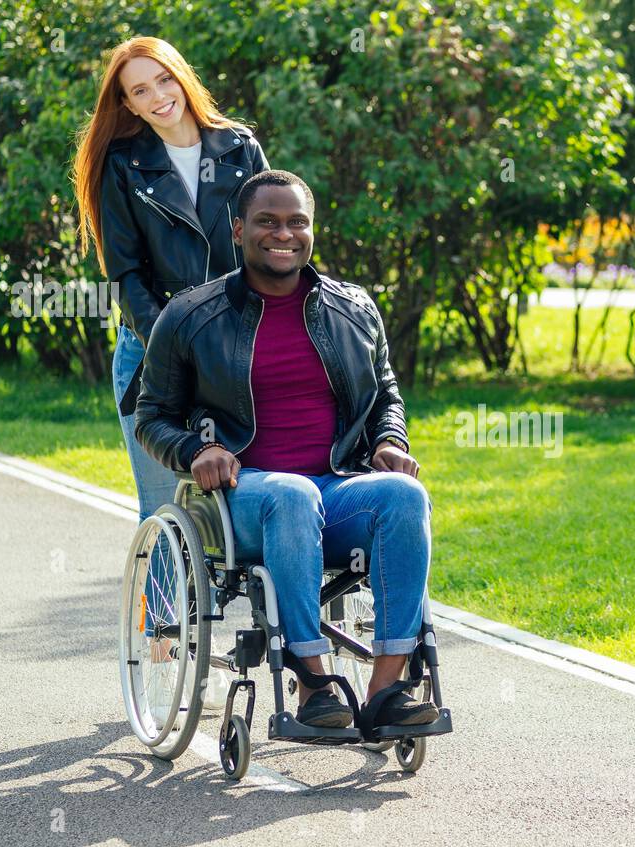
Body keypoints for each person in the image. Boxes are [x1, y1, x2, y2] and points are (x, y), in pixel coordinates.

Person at [134, 169, 440, 729]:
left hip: (336, 488)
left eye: (297, 222)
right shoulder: (190, 316)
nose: (284, 233)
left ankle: (386, 691)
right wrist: (194, 452)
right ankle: (315, 681)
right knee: (292, 493)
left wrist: (390, 440)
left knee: (404, 495)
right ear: (237, 231)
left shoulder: (353, 308)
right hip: (241, 500)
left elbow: (385, 395)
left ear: (312, 231)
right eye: (267, 221)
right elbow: (152, 416)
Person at [71, 35, 270, 523]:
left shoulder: (239, 148)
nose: (158, 96)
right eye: (140, 91)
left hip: (240, 352)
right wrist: (172, 341)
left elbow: (273, 247)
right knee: (164, 516)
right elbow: (124, 274)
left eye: (164, 80)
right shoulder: (122, 166)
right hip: (153, 356)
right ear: (126, 104)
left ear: (182, 76)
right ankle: (161, 600)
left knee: (259, 499)